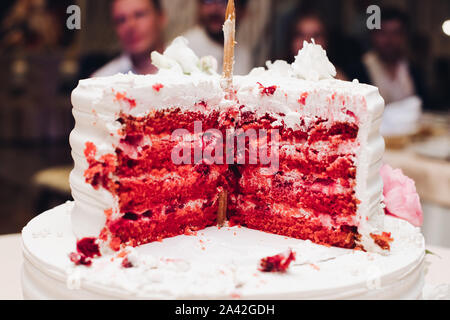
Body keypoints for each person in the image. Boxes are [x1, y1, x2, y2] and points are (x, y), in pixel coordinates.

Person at [354, 7, 428, 105]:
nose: (389, 40)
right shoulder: (357, 70)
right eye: (383, 33)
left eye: (396, 33)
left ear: (405, 36)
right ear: (372, 36)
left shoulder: (414, 69)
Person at [93, 0, 166, 77]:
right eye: (121, 20)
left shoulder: (179, 67)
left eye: (139, 15)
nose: (130, 26)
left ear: (161, 17)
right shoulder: (102, 80)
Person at [182, 0, 252, 75]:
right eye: (208, 1)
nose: (214, 9)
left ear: (242, 11)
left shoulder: (243, 55)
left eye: (224, 2)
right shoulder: (183, 49)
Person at [283, 9, 348, 80]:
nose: (308, 42)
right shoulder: (277, 76)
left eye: (316, 35)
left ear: (326, 40)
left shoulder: (339, 80)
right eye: (300, 35)